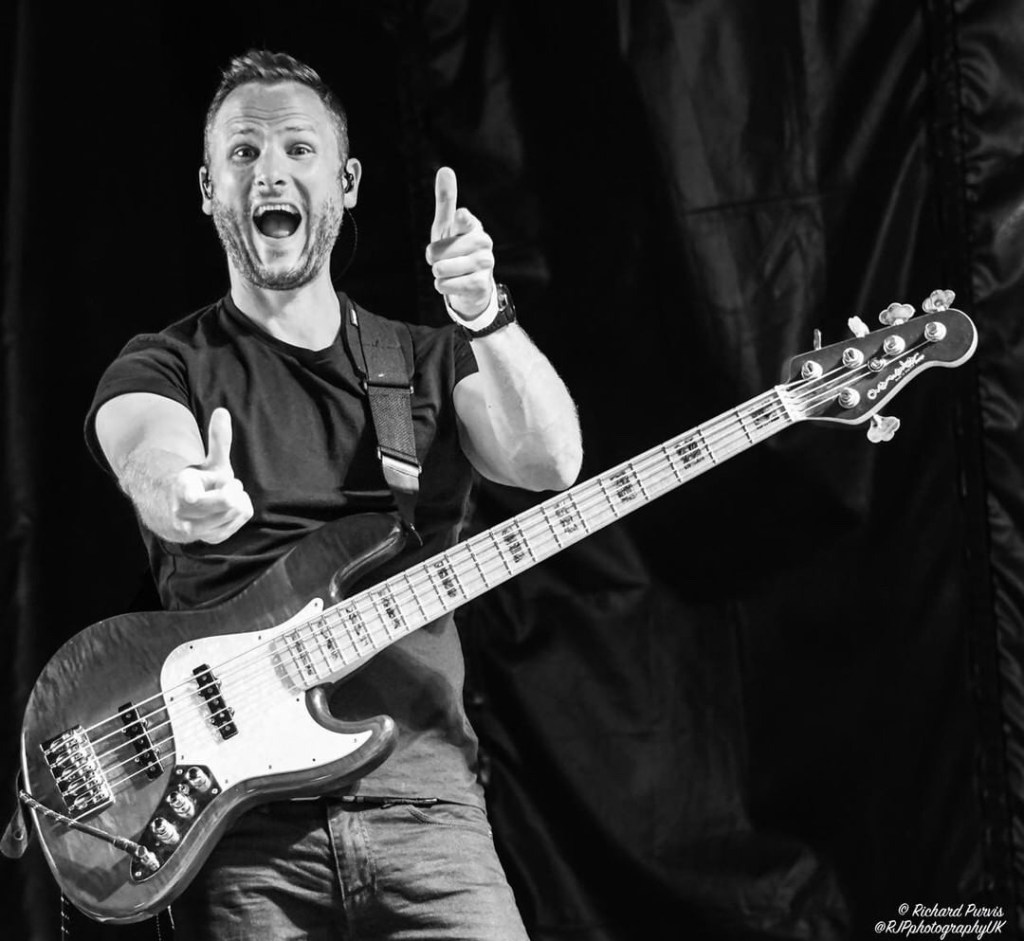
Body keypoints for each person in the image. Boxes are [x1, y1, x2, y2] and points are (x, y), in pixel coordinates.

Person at [86, 49, 582, 940]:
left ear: (345, 184)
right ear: (208, 189)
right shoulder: (164, 363)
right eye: (243, 153)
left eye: (298, 149)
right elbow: (147, 454)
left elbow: (552, 462)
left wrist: (485, 314)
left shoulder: (422, 360)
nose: (270, 171)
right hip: (240, 829)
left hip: (425, 806)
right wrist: (184, 492)